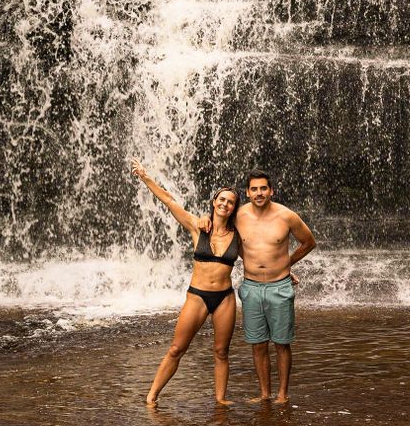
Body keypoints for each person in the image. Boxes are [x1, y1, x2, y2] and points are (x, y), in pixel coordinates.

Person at [201, 168, 316, 404]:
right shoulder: (239, 216)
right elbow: (217, 224)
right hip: (251, 287)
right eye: (254, 189)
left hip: (279, 286)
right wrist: (205, 218)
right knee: (258, 344)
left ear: (271, 190)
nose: (259, 193)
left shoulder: (287, 216)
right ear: (248, 192)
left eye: (264, 188)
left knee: (282, 344)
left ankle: (282, 394)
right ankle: (264, 394)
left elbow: (309, 242)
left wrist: (286, 264)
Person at [131, 158, 241, 406]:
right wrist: (145, 176)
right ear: (214, 202)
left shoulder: (238, 236)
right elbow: (169, 200)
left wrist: (282, 271)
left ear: (234, 208)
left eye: (230, 202)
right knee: (176, 349)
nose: (225, 204)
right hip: (198, 295)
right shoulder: (197, 226)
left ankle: (220, 400)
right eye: (221, 199)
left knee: (222, 352)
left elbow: (257, 258)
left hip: (225, 298)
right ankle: (151, 396)